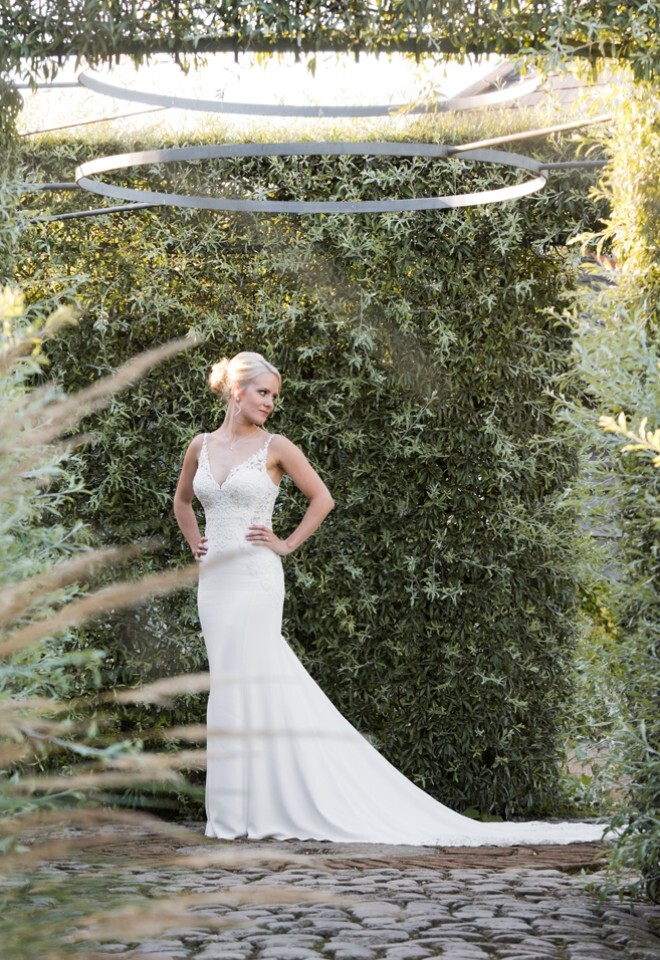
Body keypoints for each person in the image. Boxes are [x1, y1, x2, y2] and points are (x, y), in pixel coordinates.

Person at [174, 351, 604, 846]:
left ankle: (253, 813)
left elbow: (323, 499)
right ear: (236, 391)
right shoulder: (200, 446)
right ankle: (234, 814)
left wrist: (286, 543)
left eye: (275, 395)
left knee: (249, 682)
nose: (271, 403)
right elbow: (183, 501)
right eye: (263, 392)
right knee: (228, 684)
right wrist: (195, 543)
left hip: (255, 577)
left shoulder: (277, 447)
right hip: (216, 581)